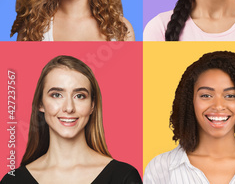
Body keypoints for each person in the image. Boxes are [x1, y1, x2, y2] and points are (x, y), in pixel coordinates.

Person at [144, 51, 235, 183]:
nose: (218, 106)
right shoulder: (160, 169)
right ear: (189, 101)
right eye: (206, 95)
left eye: (230, 96)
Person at [0, 56, 141, 184]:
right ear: (40, 104)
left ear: (92, 105)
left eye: (79, 96)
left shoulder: (123, 177)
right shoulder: (13, 181)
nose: (69, 108)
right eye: (56, 95)